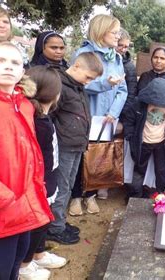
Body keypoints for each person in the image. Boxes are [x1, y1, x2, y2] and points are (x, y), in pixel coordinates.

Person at [0, 40, 53, 280]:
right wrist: (5, 198)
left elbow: (29, 155)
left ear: (23, 71)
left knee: (15, 262)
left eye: (15, 62)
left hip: (22, 205)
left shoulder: (22, 104)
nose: (8, 66)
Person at [70, 14, 128, 207]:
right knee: (81, 157)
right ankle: (76, 197)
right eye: (114, 32)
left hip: (107, 118)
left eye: (118, 32)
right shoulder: (83, 53)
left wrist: (113, 113)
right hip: (85, 115)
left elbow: (122, 89)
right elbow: (79, 83)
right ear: (101, 31)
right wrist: (105, 83)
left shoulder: (116, 58)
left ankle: (91, 196)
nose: (118, 36)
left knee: (98, 156)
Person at [46, 52, 103, 244]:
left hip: (76, 144)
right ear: (77, 66)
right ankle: (55, 228)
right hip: (63, 145)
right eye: (88, 77)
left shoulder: (77, 86)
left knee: (69, 185)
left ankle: (59, 222)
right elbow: (50, 116)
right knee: (61, 187)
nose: (88, 82)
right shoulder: (59, 85)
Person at [19, 66, 67, 279]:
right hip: (40, 182)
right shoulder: (37, 122)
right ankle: (24, 264)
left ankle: (38, 254)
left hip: (49, 177)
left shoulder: (43, 118)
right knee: (37, 223)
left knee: (43, 220)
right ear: (55, 94)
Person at [123, 78, 165, 197]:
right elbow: (129, 120)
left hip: (162, 143)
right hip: (143, 142)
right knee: (139, 170)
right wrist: (130, 136)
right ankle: (135, 196)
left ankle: (162, 196)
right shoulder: (139, 104)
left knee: (161, 171)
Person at [116, 28, 137, 109]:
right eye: (120, 45)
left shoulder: (130, 67)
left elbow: (131, 93)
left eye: (126, 47)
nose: (123, 49)